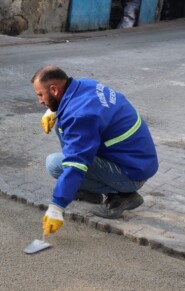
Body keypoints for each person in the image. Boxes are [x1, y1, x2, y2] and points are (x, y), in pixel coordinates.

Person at [32, 66, 159, 236]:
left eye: (41, 95)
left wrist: (56, 207)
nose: (40, 101)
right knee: (62, 128)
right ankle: (90, 191)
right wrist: (52, 111)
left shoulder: (80, 115)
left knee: (55, 164)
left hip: (132, 172)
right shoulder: (84, 84)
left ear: (54, 90)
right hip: (138, 159)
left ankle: (123, 196)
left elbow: (76, 164)